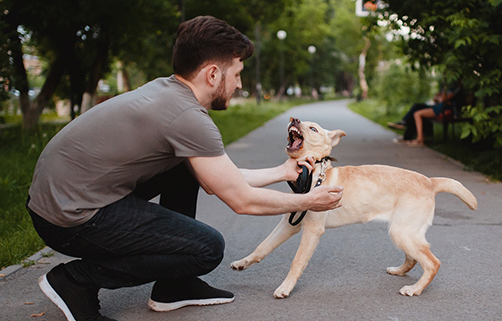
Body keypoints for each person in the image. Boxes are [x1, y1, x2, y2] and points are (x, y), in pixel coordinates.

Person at [26, 16, 343, 321]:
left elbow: (222, 179)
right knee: (207, 248)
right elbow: (240, 200)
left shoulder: (169, 93)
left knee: (183, 169)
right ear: (213, 74)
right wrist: (308, 201)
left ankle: (174, 287)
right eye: (237, 74)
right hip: (69, 218)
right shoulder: (187, 118)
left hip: (65, 200)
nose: (240, 83)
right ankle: (75, 281)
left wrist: (283, 171)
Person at [388, 83, 462, 146]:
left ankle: (419, 139)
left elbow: (442, 99)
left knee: (417, 114)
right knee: (417, 106)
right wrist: (440, 97)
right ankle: (405, 124)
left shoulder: (454, 89)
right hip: (437, 106)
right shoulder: (446, 87)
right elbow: (436, 99)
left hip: (442, 109)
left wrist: (442, 96)